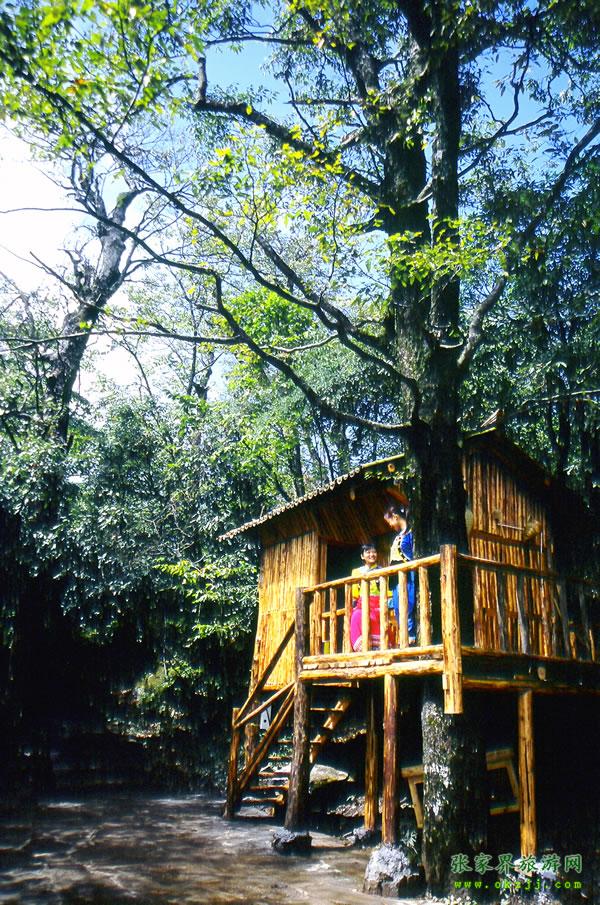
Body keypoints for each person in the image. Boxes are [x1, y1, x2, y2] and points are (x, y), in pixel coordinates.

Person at [384, 505, 416, 644]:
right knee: (397, 608)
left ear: (396, 517)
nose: (390, 525)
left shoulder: (411, 534)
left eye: (390, 522)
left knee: (407, 605)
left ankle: (411, 637)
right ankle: (403, 638)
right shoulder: (398, 536)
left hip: (407, 575)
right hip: (396, 577)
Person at [349, 542, 384, 651]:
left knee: (377, 616)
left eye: (374, 552)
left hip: (378, 603)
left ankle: (377, 646)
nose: (371, 554)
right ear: (362, 556)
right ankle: (362, 646)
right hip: (362, 604)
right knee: (356, 616)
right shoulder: (356, 572)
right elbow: (355, 593)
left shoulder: (382, 570)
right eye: (368, 552)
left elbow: (387, 591)